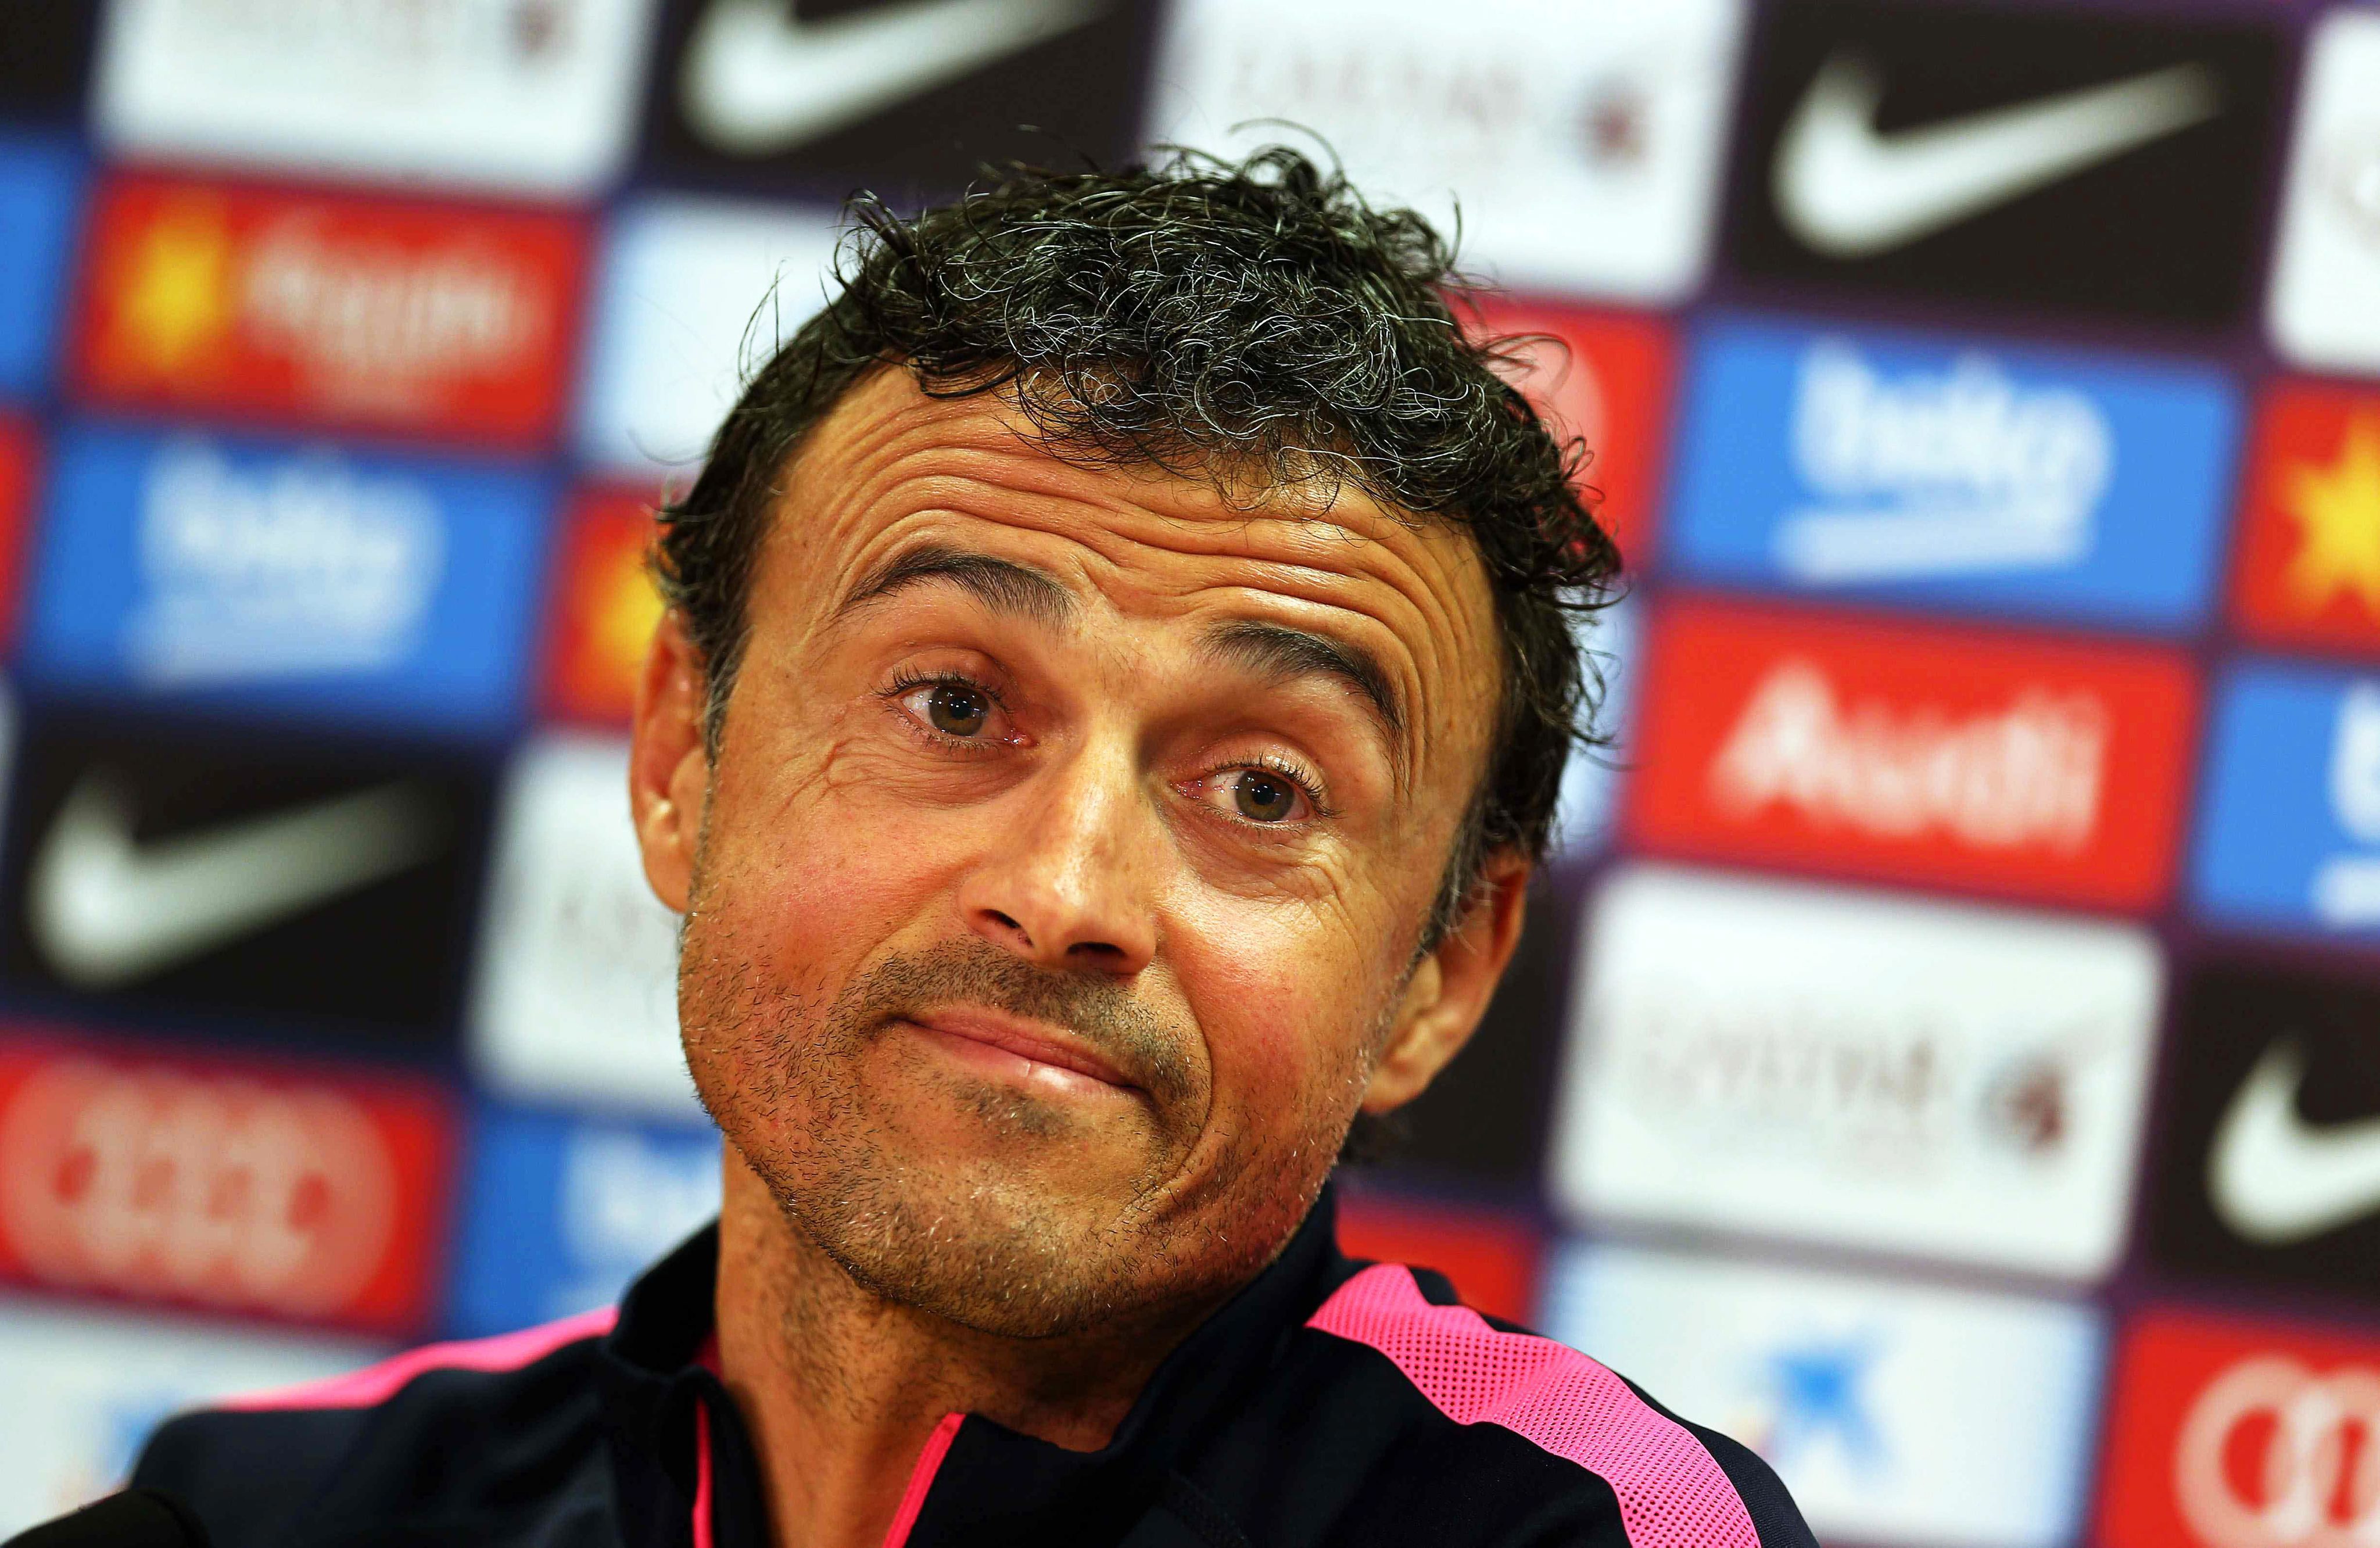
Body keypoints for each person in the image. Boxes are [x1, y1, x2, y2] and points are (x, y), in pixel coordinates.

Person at [128, 148, 1815, 1548]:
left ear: (1440, 973)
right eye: (952, 704)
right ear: (682, 758)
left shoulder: (1591, 1532)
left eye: (1262, 791)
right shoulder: (266, 1517)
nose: (1066, 892)